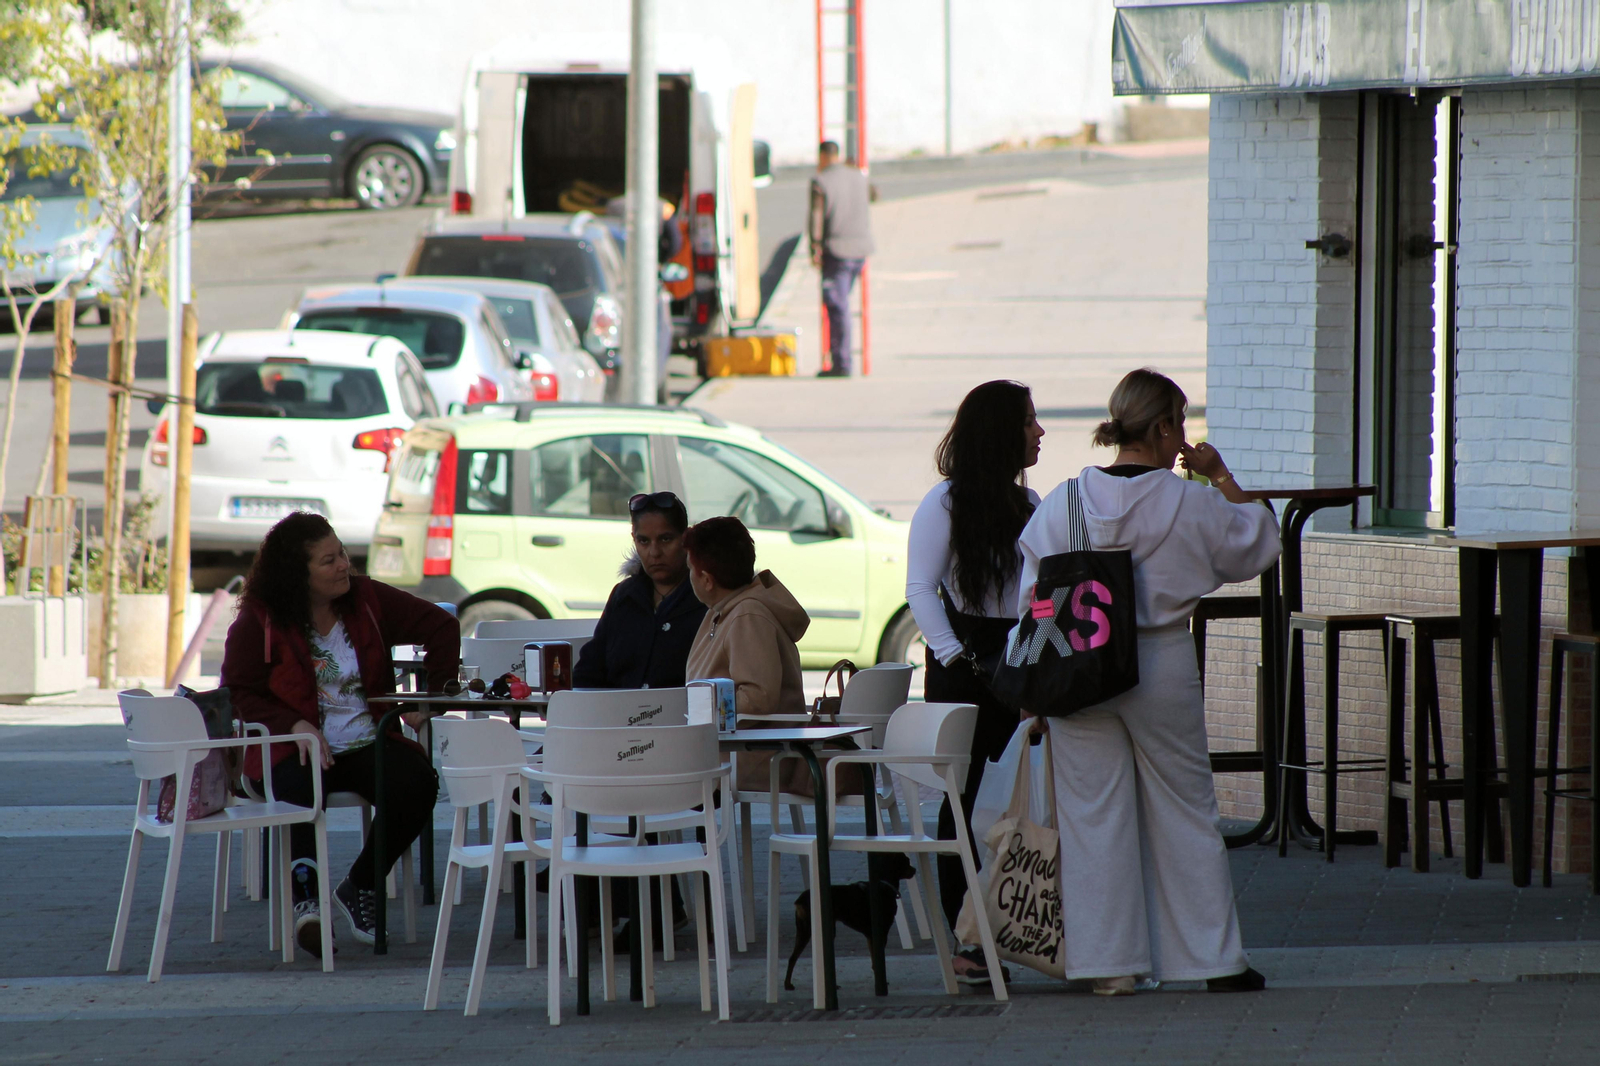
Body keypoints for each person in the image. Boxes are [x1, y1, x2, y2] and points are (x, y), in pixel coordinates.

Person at [1017, 368, 1279, 996]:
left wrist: (1033, 687)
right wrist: (1219, 475)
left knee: (1091, 815)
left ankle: (1108, 966)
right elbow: (1259, 543)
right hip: (1160, 660)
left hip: (1078, 664)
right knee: (1185, 809)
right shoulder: (1192, 502)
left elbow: (1031, 597)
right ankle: (1212, 961)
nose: (1182, 437)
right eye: (1179, 423)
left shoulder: (1064, 502)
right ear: (1161, 427)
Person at [223, 512, 459, 958]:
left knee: (417, 782)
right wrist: (292, 725)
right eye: (328, 560)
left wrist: (431, 700)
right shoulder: (261, 618)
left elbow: (441, 626)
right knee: (298, 788)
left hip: (367, 740)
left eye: (342, 554)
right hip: (296, 747)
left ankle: (360, 884)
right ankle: (307, 904)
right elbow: (237, 692)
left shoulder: (366, 598)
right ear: (298, 573)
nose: (343, 566)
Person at [905, 380, 1044, 983]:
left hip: (1018, 656)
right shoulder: (944, 503)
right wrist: (956, 657)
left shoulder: (1031, 503)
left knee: (1019, 796)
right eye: (1029, 421)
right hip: (964, 664)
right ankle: (967, 942)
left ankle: (1016, 927)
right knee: (962, 801)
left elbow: (1038, 594)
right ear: (999, 433)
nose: (1040, 431)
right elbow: (919, 588)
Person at [682, 515, 811, 790]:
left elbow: (758, 697)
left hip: (754, 756)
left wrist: (703, 710)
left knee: (646, 766)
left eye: (690, 568)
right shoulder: (725, 611)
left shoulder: (747, 616)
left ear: (707, 580)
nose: (688, 576)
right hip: (736, 748)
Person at [573, 490, 706, 690]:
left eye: (665, 539)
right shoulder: (624, 596)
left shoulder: (707, 598)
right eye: (644, 541)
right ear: (634, 539)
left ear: (685, 539)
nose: (654, 552)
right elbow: (588, 673)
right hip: (617, 710)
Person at [808, 140, 875, 377]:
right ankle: (841, 360)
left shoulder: (821, 181)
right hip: (860, 249)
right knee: (841, 303)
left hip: (837, 250)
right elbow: (875, 195)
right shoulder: (858, 175)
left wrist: (814, 247)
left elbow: (816, 217)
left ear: (823, 157)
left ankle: (842, 363)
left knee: (837, 305)